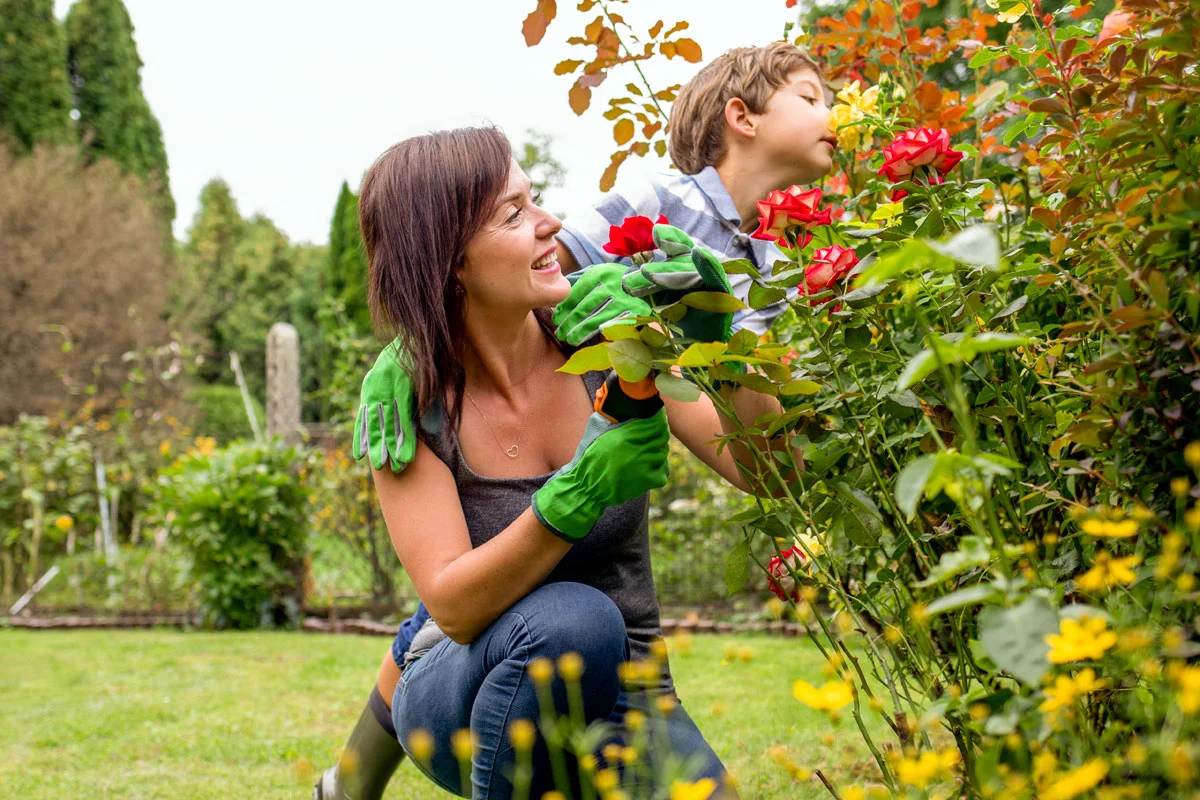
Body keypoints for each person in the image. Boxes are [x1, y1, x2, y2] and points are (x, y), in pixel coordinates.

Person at [315, 40, 833, 800]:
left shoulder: (612, 340)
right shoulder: (413, 403)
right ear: (451, 259)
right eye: (515, 213)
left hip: (632, 697)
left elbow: (769, 474)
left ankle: (350, 787)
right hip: (457, 695)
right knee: (573, 621)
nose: (552, 222)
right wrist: (576, 496)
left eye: (537, 198)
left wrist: (719, 345)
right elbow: (453, 606)